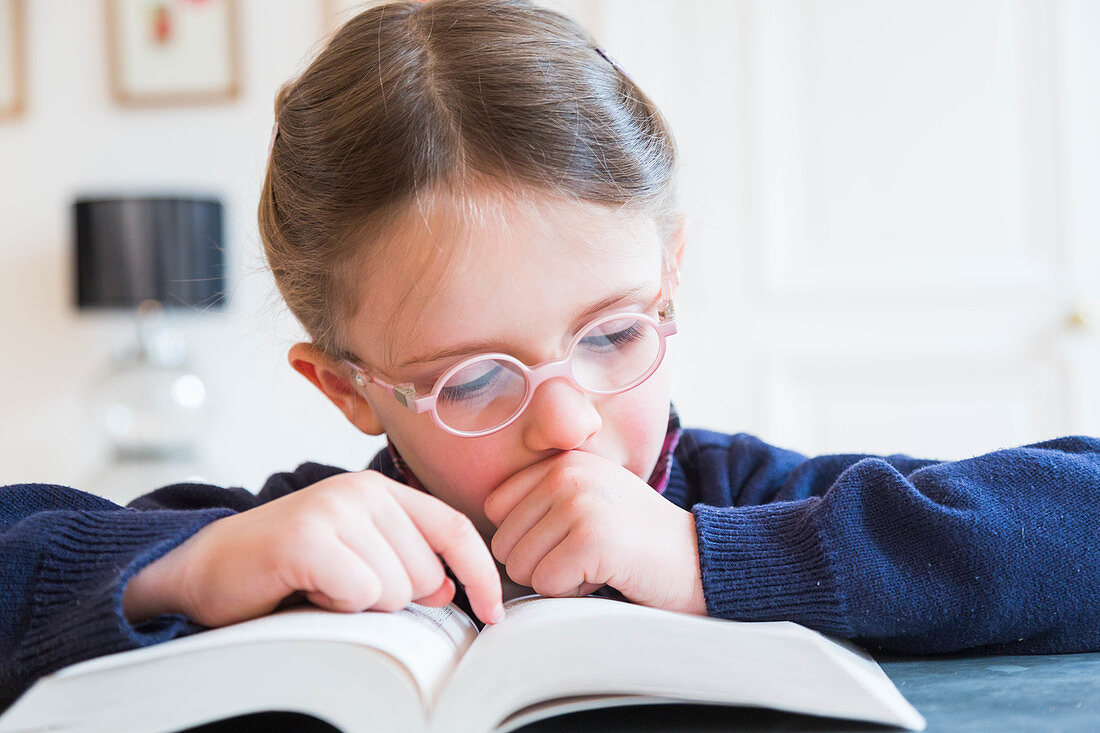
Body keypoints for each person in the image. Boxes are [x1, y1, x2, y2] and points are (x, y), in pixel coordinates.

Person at [2, 0, 1098, 712]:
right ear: (343, 386)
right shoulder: (294, 546)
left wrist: (715, 561)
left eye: (613, 334)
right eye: (473, 378)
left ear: (669, 278)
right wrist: (189, 566)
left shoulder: (756, 506)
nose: (568, 423)